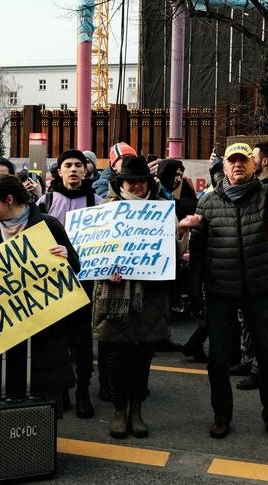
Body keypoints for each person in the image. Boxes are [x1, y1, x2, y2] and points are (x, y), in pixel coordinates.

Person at [0, 174, 78, 472]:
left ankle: (33, 442)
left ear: (9, 200)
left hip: (40, 323)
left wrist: (66, 257)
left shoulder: (48, 224)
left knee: (38, 381)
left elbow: (74, 265)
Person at [189, 130, 268, 443]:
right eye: (232, 161)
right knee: (218, 359)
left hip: (258, 289)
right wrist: (195, 291)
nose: (238, 165)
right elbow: (197, 252)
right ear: (224, 168)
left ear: (255, 167)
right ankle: (221, 416)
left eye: (243, 161)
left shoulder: (266, 196)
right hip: (220, 292)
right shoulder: (207, 203)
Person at [92, 155, 193, 439]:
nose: (136, 186)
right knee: (113, 358)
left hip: (150, 295)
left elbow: (174, 255)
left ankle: (136, 410)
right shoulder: (105, 211)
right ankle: (118, 411)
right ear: (120, 182)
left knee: (142, 357)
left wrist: (181, 232)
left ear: (149, 183)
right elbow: (92, 254)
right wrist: (103, 269)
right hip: (113, 295)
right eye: (131, 181)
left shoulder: (162, 210)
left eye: (141, 181)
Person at [40, 149, 103, 418]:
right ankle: (62, 389)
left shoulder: (96, 200)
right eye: (68, 165)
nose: (74, 169)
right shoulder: (46, 200)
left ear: (86, 170)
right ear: (59, 171)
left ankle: (83, 390)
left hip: (85, 280)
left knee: (81, 340)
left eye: (79, 164)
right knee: (57, 339)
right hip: (54, 282)